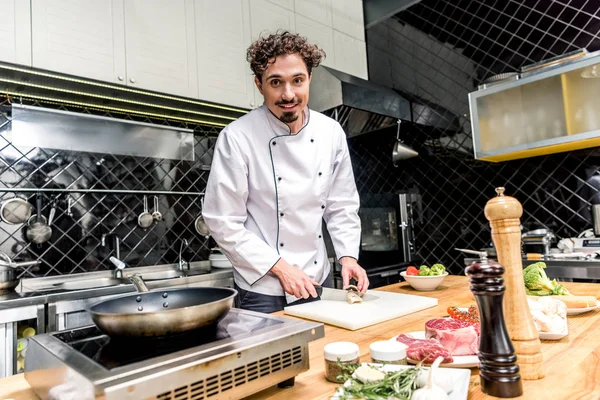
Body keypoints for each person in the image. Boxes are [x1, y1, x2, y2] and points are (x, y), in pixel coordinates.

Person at [202, 31, 368, 313]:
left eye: (297, 81)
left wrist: (348, 257)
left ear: (309, 79)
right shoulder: (237, 137)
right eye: (276, 82)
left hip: (318, 279)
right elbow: (222, 220)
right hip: (263, 287)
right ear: (259, 84)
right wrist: (280, 268)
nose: (288, 94)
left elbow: (341, 205)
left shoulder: (330, 133)